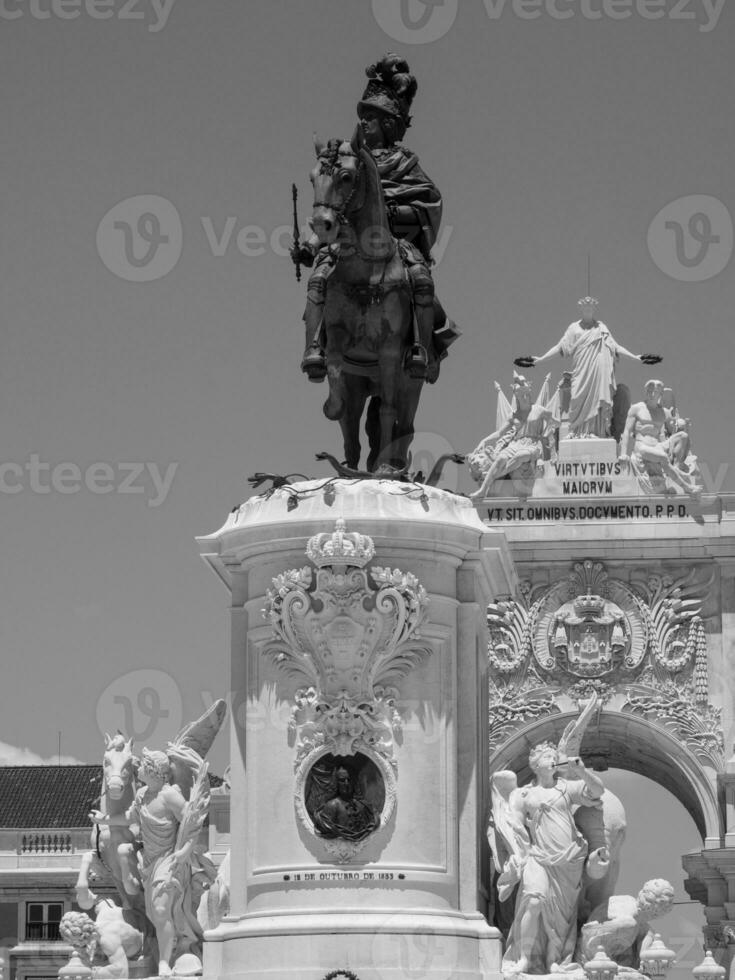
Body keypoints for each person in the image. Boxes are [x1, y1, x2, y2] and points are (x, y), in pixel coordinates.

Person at [293, 54, 458, 383]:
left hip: (395, 241)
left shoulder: (404, 162)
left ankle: (419, 348)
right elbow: (333, 206)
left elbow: (429, 202)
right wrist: (311, 245)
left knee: (421, 279)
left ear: (387, 123)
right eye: (364, 117)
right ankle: (314, 346)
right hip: (348, 243)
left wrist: (394, 211)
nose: (364, 123)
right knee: (320, 279)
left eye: (372, 117)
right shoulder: (348, 160)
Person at [499, 743, 607, 974]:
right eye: (547, 757)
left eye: (553, 757)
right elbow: (514, 827)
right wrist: (515, 854)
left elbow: (597, 791)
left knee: (561, 917)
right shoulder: (523, 794)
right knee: (534, 900)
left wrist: (582, 771)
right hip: (537, 856)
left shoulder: (566, 788)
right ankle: (524, 958)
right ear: (535, 764)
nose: (552, 760)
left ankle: (553, 960)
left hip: (569, 859)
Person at [515, 297, 661, 438]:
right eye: (585, 307)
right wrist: (541, 359)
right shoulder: (573, 328)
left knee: (598, 400)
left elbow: (615, 347)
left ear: (594, 309)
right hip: (581, 370)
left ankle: (598, 432)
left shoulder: (601, 328)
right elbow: (561, 347)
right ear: (581, 308)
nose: (588, 309)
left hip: (598, 370)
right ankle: (577, 431)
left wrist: (635, 357)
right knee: (577, 397)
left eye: (591, 307)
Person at [469, 373, 558, 499]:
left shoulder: (539, 410)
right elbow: (500, 433)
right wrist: (484, 440)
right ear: (517, 396)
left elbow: (554, 421)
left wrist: (555, 426)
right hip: (516, 444)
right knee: (500, 459)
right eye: (521, 395)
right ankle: (483, 490)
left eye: (525, 394)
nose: (524, 397)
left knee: (520, 456)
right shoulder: (513, 416)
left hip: (532, 445)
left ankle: (495, 475)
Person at [619, 379, 701, 495]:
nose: (652, 394)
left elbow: (673, 430)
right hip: (642, 447)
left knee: (683, 436)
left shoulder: (664, 412)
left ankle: (676, 467)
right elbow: (627, 431)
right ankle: (686, 487)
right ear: (645, 392)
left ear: (660, 394)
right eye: (649, 391)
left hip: (658, 445)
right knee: (662, 457)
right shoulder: (637, 408)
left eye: (655, 392)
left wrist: (682, 425)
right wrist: (623, 454)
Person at [578, 878, 675, 967]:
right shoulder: (627, 919)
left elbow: (644, 957)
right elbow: (592, 938)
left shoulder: (643, 925)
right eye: (663, 910)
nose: (661, 916)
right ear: (656, 910)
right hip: (593, 959)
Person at [313, 766, 379, 842]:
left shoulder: (363, 806)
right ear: (336, 783)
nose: (346, 783)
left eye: (349, 780)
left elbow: (375, 819)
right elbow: (325, 826)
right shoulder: (331, 806)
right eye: (342, 780)